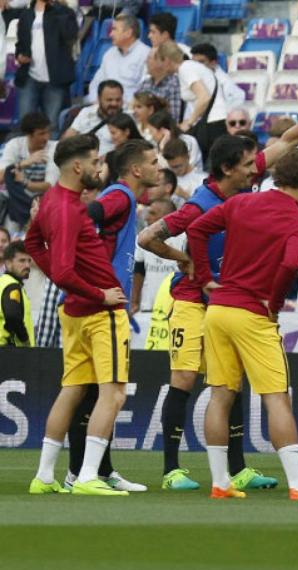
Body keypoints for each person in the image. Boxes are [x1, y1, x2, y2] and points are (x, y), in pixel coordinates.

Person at [137, 91, 298, 492]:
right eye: (249, 164)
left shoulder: (244, 193)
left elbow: (288, 142)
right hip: (195, 299)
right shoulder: (200, 204)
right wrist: (191, 265)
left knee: (228, 386)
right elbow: (146, 237)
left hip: (225, 300)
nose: (257, 167)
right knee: (184, 378)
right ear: (229, 168)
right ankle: (171, 468)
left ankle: (234, 470)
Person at [186, 148, 298, 501]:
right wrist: (276, 301)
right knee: (276, 398)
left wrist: (206, 278)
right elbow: (290, 264)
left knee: (220, 395)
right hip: (253, 314)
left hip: (218, 309)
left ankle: (221, 483)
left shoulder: (240, 203)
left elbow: (196, 229)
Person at [24, 134, 131, 496]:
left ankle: (44, 475)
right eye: (96, 161)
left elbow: (32, 243)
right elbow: (66, 270)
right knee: (114, 393)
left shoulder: (52, 200)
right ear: (78, 165)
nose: (100, 167)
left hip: (74, 314)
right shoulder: (69, 209)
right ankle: (87, 476)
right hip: (101, 312)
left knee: (71, 390)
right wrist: (100, 293)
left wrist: (60, 277)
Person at [63, 140, 162, 492]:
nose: (159, 166)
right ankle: (82, 473)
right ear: (136, 170)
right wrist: (95, 269)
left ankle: (98, 471)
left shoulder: (124, 198)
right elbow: (88, 217)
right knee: (104, 392)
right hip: (102, 304)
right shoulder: (120, 196)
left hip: (97, 300)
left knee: (94, 392)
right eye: (153, 161)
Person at [14, 0, 78, 133]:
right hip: (29, 76)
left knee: (53, 125)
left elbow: (70, 34)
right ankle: (27, 154)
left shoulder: (64, 12)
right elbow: (20, 43)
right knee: (25, 125)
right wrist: (19, 55)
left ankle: (50, 154)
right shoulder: (26, 14)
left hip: (55, 79)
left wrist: (57, 8)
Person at [158, 42, 230, 161]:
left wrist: (189, 122)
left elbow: (204, 97)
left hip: (212, 125)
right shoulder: (189, 67)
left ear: (166, 60)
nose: (160, 66)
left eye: (160, 61)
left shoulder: (186, 68)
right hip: (214, 122)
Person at [0, 113, 58, 230]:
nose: (46, 137)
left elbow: (49, 186)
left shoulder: (54, 147)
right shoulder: (14, 145)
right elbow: (1, 177)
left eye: (48, 132)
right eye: (41, 133)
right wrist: (23, 163)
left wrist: (26, 182)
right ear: (29, 135)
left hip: (42, 200)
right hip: (14, 200)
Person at [88, 13, 149, 104]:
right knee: (70, 115)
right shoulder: (109, 54)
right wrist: (96, 101)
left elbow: (144, 92)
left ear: (128, 33)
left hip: (129, 110)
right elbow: (95, 84)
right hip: (102, 106)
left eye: (114, 29)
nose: (110, 34)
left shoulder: (146, 55)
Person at [64, 80, 123, 157]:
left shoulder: (129, 117)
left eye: (118, 100)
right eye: (109, 100)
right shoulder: (86, 112)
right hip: (83, 159)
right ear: (99, 99)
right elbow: (67, 138)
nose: (114, 103)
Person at [1, 240, 33, 346]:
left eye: (29, 260)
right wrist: (25, 340)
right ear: (8, 263)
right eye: (22, 261)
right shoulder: (12, 286)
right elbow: (12, 316)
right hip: (9, 353)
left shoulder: (3, 282)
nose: (27, 265)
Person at [138, 47, 182, 124]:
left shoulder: (174, 84)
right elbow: (136, 107)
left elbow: (174, 117)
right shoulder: (145, 83)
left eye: (149, 59)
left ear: (160, 62)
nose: (145, 62)